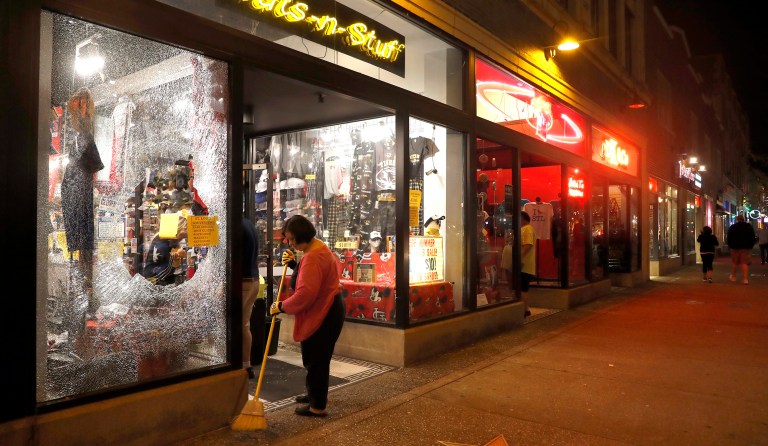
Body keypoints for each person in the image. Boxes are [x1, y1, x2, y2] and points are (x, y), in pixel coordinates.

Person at [270, 215, 345, 417]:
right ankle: (314, 393)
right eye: (288, 240)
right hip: (330, 308)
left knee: (316, 360)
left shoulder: (312, 257)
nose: (291, 244)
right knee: (316, 358)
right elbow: (312, 277)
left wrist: (281, 306)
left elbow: (306, 293)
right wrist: (295, 265)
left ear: (302, 236)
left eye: (293, 240)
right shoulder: (317, 247)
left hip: (324, 312)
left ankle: (317, 406)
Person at [242, 217, 262, 379]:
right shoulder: (249, 224)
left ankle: (237, 366)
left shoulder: (235, 227)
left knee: (234, 324)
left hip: (242, 282)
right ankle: (245, 365)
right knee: (243, 324)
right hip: (253, 279)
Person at [726, 214, 756, 284]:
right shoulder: (748, 227)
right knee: (744, 263)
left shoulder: (733, 227)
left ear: (737, 219)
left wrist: (730, 245)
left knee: (735, 262)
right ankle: (745, 279)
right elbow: (752, 237)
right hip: (746, 247)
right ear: (743, 219)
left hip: (735, 247)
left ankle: (733, 276)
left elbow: (729, 237)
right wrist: (751, 246)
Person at [520, 211, 535, 317]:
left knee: (523, 288)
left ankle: (525, 310)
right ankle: (525, 309)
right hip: (524, 264)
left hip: (524, 265)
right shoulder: (524, 229)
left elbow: (528, 244)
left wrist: (518, 257)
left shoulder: (528, 229)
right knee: (522, 288)